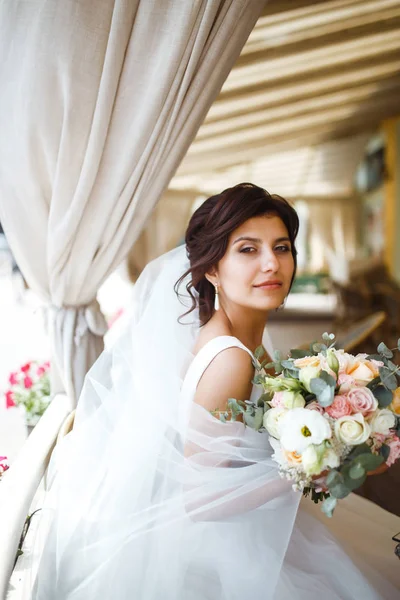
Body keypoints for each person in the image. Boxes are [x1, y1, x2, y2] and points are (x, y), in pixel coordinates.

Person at [32, 183, 398, 599]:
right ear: (211, 268)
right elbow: (200, 502)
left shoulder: (241, 337)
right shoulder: (230, 358)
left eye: (281, 247)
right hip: (235, 556)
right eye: (247, 249)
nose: (271, 264)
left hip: (264, 528)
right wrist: (312, 469)